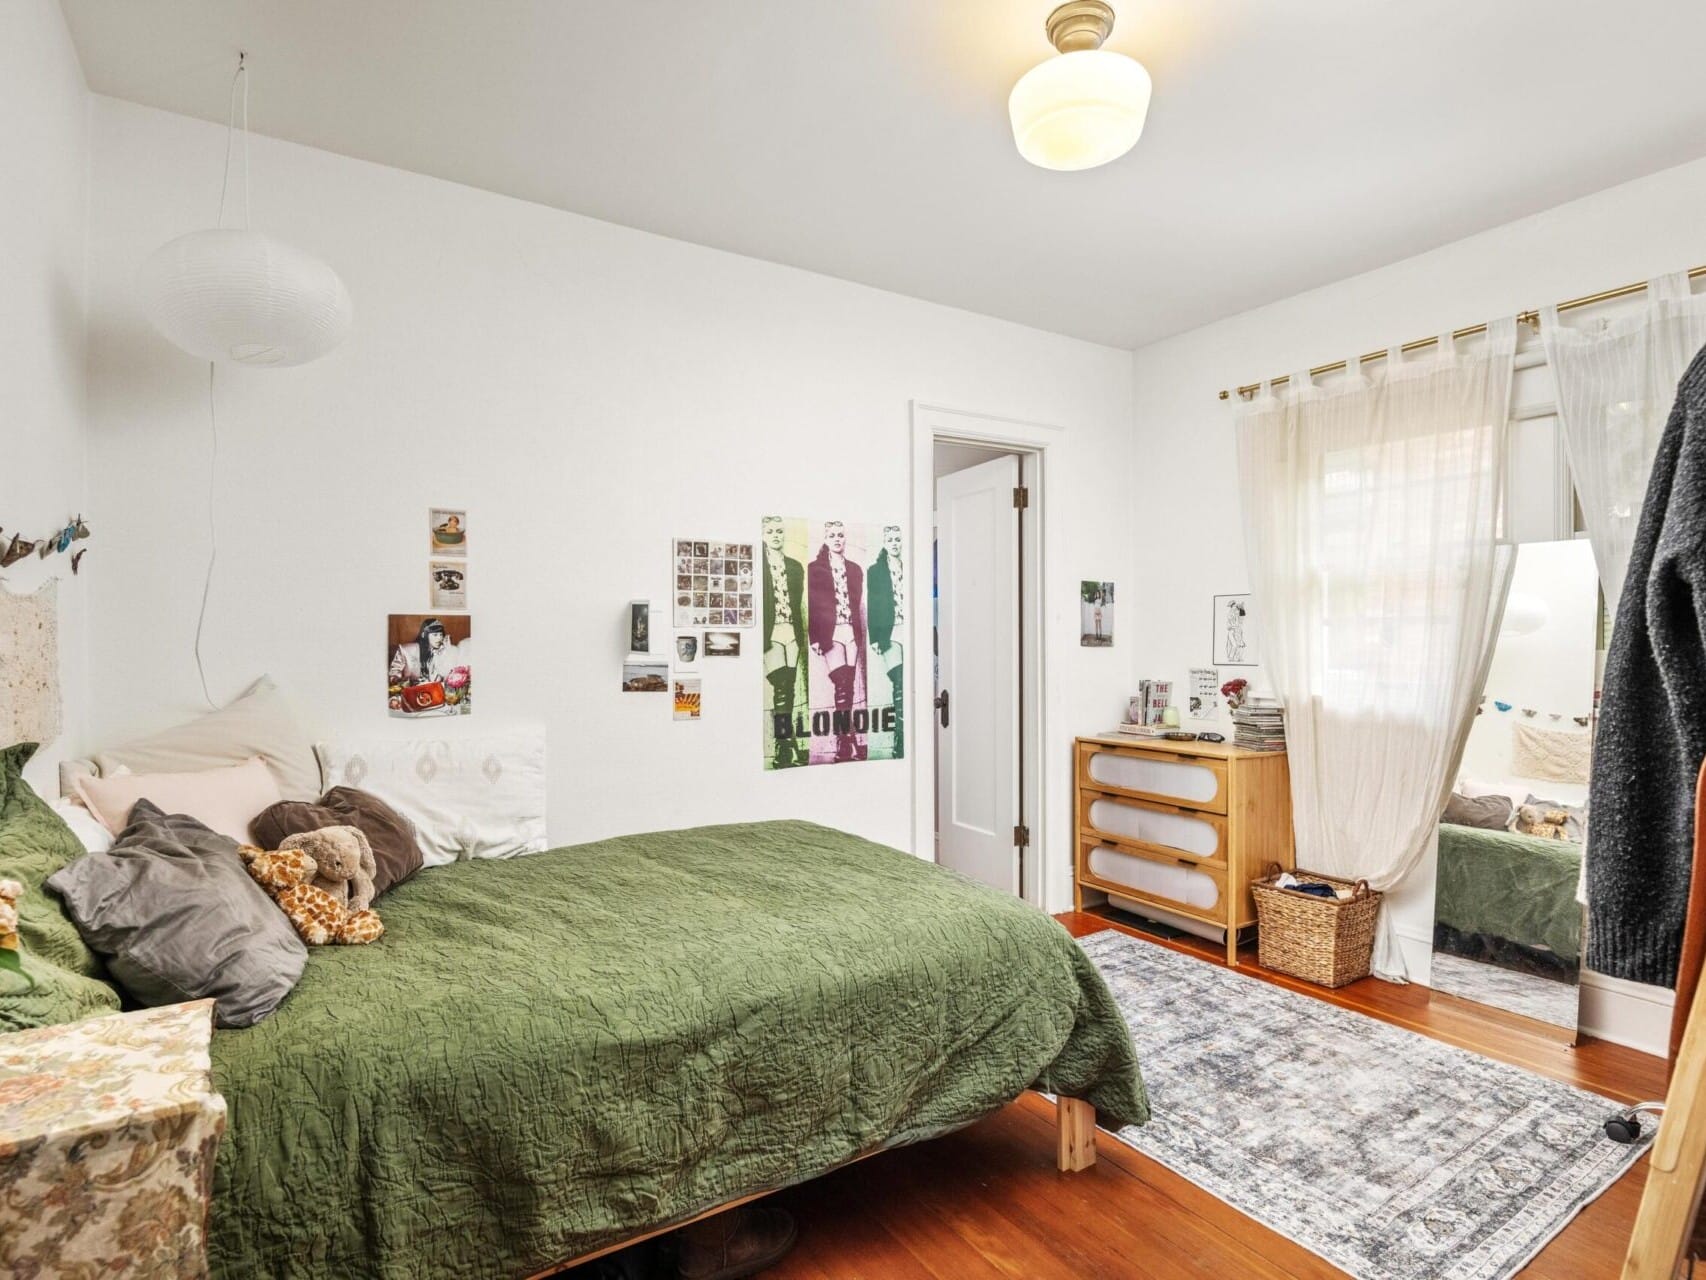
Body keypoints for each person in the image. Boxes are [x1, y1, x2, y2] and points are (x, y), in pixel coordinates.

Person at [808, 520, 867, 762]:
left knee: (848, 688)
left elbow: (855, 603)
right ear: (825, 539)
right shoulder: (815, 569)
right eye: (831, 535)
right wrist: (814, 637)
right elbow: (813, 605)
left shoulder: (855, 569)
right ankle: (847, 742)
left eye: (840, 535)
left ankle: (845, 742)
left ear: (845, 538)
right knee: (841, 686)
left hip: (851, 632)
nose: (837, 539)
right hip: (830, 633)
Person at [761, 516, 808, 768]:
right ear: (763, 534)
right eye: (770, 531)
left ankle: (785, 748)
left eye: (779, 531)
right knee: (780, 687)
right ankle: (784, 747)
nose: (776, 535)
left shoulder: (795, 566)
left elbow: (796, 601)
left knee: (787, 691)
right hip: (771, 632)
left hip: (791, 630)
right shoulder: (758, 563)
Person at [866, 524, 905, 759]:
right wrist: (875, 637)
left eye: (898, 539)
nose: (894, 543)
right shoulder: (875, 571)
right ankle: (900, 739)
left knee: (914, 683)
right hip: (890, 632)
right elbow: (873, 605)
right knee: (899, 683)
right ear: (884, 542)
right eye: (890, 539)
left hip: (911, 629)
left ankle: (909, 736)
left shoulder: (912, 567)